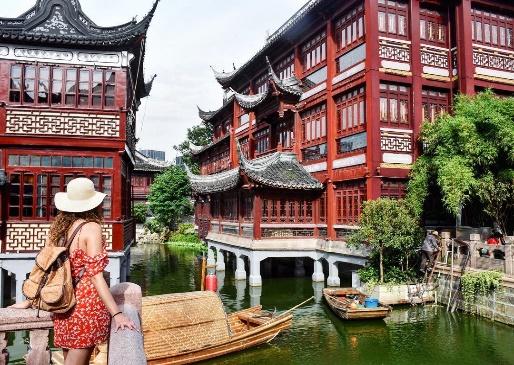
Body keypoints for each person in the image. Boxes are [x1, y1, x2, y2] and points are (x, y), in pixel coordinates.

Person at [9, 178, 136, 365]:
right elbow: (95, 276)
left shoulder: (57, 229)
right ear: (94, 204)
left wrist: (31, 301)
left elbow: (49, 270)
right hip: (85, 307)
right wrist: (117, 314)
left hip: (63, 304)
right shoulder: (91, 228)